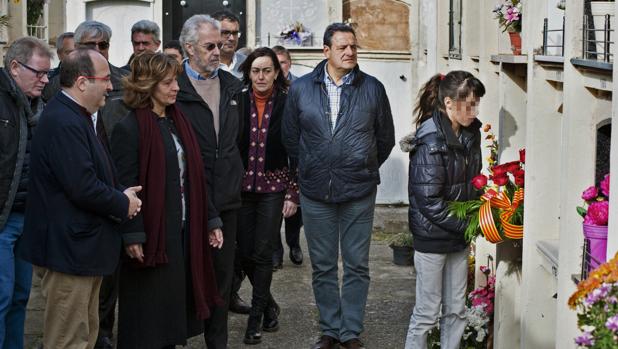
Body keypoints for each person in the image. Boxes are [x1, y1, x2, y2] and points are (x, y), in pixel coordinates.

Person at [16, 48, 142, 349]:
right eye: (106, 80)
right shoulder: (64, 120)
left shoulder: (76, 116)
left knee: (83, 336)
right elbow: (82, 186)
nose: (112, 87)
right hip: (69, 252)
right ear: (83, 82)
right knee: (68, 339)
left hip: (82, 251)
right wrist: (122, 202)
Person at [282, 23, 395, 349]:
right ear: (326, 51)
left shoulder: (372, 88)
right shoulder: (301, 89)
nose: (349, 53)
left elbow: (384, 138)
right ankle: (330, 329)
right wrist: (312, 166)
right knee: (323, 265)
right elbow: (291, 138)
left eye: (353, 47)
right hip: (316, 191)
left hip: (359, 191)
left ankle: (350, 332)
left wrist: (363, 164)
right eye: (343, 47)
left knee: (357, 264)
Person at [110, 52, 223, 349]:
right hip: (151, 238)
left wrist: (211, 220)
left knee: (171, 315)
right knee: (147, 318)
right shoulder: (130, 128)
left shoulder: (177, 121)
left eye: (176, 81)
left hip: (182, 232)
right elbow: (126, 186)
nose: (176, 88)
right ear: (148, 85)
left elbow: (195, 178)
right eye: (168, 82)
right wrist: (133, 234)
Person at [402, 71, 485, 349]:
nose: (473, 111)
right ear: (448, 103)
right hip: (433, 239)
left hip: (457, 238)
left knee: (457, 310)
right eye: (468, 104)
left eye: (476, 104)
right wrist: (469, 225)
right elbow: (429, 201)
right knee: (427, 313)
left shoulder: (471, 134)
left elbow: (474, 180)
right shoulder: (430, 141)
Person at [176, 14, 244, 349]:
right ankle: (176, 336)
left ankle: (217, 343)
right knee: (183, 274)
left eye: (221, 44)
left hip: (227, 199)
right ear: (189, 48)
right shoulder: (174, 89)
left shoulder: (233, 87)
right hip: (187, 201)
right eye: (210, 45)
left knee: (221, 276)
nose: (219, 50)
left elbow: (236, 142)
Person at [236, 47, 298, 345]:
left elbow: (298, 149)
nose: (261, 76)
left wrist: (293, 193)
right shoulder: (236, 101)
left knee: (263, 253)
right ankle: (270, 304)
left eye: (267, 70)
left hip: (274, 190)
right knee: (245, 253)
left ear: (277, 73)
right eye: (256, 70)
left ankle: (255, 318)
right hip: (242, 189)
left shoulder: (288, 103)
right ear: (249, 72)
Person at [0, 36, 52, 349]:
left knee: (20, 296)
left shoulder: (39, 104)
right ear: (16, 67)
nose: (46, 80)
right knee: (2, 297)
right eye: (39, 73)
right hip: (3, 219)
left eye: (48, 73)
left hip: (27, 218)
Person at [270, 45, 302, 270]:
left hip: (296, 148)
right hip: (275, 148)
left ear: (289, 64)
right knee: (273, 205)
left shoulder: (299, 85)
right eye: (276, 63)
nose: (280, 67)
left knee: (294, 204)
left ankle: (294, 243)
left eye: (283, 63)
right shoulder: (266, 85)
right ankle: (276, 250)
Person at [212, 10, 246, 78]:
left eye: (235, 33)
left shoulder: (247, 63)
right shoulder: (201, 66)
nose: (232, 38)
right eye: (225, 33)